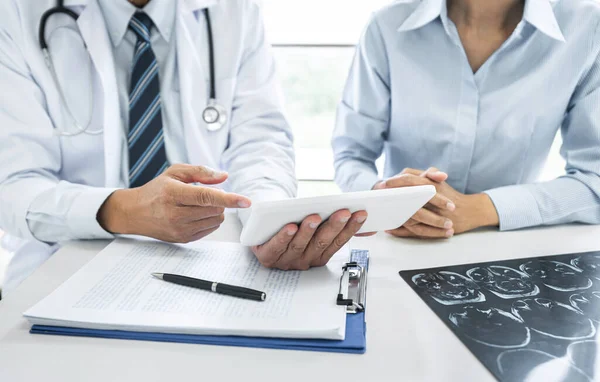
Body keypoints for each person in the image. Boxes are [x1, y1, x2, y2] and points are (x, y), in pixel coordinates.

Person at [0, 0, 368, 294]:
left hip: (210, 260)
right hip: (63, 263)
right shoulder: (16, 14)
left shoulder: (233, 11)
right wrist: (122, 211)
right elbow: (12, 187)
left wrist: (266, 218)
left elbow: (261, 141)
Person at [333, 0, 600, 239]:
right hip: (401, 242)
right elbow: (351, 154)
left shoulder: (586, 27)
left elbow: (594, 180)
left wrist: (480, 208)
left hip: (509, 246)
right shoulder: (386, 25)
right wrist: (382, 195)